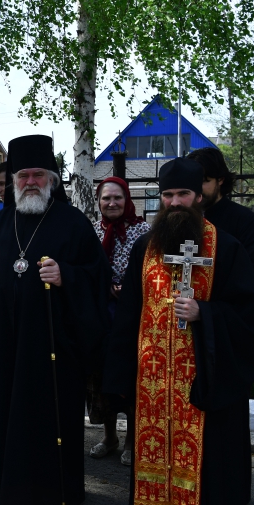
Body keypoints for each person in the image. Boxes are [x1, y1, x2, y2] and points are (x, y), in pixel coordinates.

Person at [104, 157, 254, 505]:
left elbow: (249, 317)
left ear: (199, 198)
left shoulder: (225, 248)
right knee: (154, 452)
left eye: (183, 194)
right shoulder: (145, 248)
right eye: (167, 195)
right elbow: (127, 317)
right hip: (154, 385)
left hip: (203, 388)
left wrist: (205, 313)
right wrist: (119, 378)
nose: (175, 202)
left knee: (208, 466)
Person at [0, 134, 109, 505]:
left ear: (52, 180)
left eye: (38, 175)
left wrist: (67, 277)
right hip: (1, 354)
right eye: (23, 176)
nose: (30, 183)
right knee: (1, 424)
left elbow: (98, 282)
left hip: (53, 357)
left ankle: (52, 500)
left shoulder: (74, 226)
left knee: (47, 426)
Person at [88, 176, 150, 465]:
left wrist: (130, 286)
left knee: (130, 378)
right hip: (101, 317)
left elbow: (153, 270)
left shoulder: (143, 231)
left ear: (127, 200)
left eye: (117, 198)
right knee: (102, 379)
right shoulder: (91, 231)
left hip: (132, 318)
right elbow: (85, 269)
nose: (111, 203)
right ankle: (109, 436)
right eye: (106, 198)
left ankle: (130, 441)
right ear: (99, 202)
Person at [187, 147, 254, 288]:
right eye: (191, 182)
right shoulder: (183, 218)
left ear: (220, 179)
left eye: (204, 181)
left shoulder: (245, 220)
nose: (197, 188)